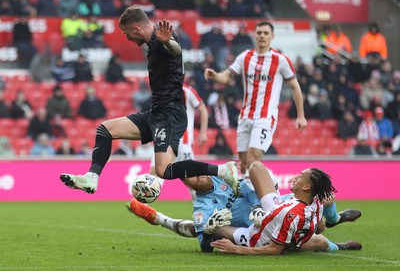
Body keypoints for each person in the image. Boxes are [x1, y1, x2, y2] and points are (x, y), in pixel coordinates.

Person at [59, 6, 239, 195]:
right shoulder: (153, 42)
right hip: (157, 113)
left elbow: (175, 49)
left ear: (136, 28)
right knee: (105, 130)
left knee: (163, 171)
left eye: (127, 33)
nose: (127, 38)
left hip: (170, 115)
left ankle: (224, 170)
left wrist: (167, 41)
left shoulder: (164, 37)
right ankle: (92, 178)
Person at [128, 163, 361, 253]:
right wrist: (210, 228)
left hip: (268, 216)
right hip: (253, 232)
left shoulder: (225, 176)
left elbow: (259, 176)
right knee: (201, 229)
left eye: (196, 174)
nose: (196, 179)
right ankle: (158, 218)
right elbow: (205, 240)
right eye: (190, 180)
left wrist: (261, 206)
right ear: (188, 185)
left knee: (323, 213)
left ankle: (334, 218)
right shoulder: (202, 206)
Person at [204, 21, 307, 178]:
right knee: (244, 163)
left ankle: (263, 193)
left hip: (265, 117)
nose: (262, 36)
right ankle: (253, 193)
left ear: (272, 36)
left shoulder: (280, 60)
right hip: (245, 116)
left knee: (253, 158)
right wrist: (215, 75)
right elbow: (226, 76)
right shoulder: (245, 57)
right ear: (255, 35)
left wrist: (301, 116)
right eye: (259, 33)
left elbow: (295, 87)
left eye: (266, 33)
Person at [208, 161, 360, 255]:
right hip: (278, 217)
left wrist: (237, 249)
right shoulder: (315, 200)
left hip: (258, 236)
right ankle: (335, 220)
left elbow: (273, 250)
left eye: (300, 176)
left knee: (213, 228)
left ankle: (338, 244)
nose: (295, 177)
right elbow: (319, 226)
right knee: (255, 166)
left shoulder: (290, 213)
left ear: (306, 187)